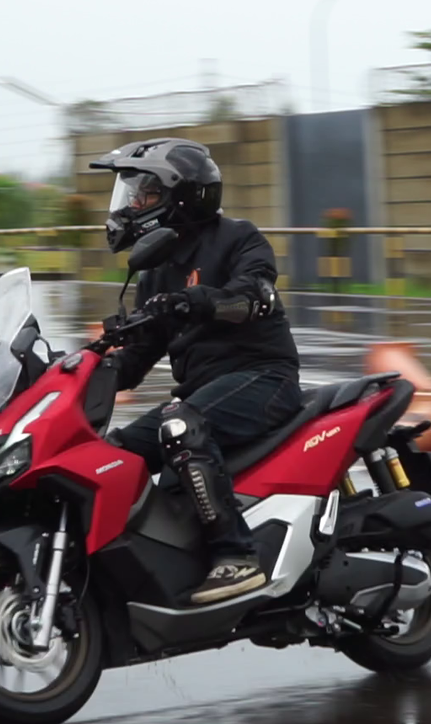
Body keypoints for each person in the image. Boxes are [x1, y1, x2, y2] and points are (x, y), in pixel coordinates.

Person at [90, 138, 303, 605]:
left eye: (142, 194)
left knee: (180, 424)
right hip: (206, 392)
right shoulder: (155, 272)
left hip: (264, 378)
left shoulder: (239, 239)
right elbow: (137, 358)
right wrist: (82, 368)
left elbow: (252, 298)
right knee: (111, 453)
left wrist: (197, 301)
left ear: (180, 195)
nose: (130, 205)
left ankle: (238, 558)